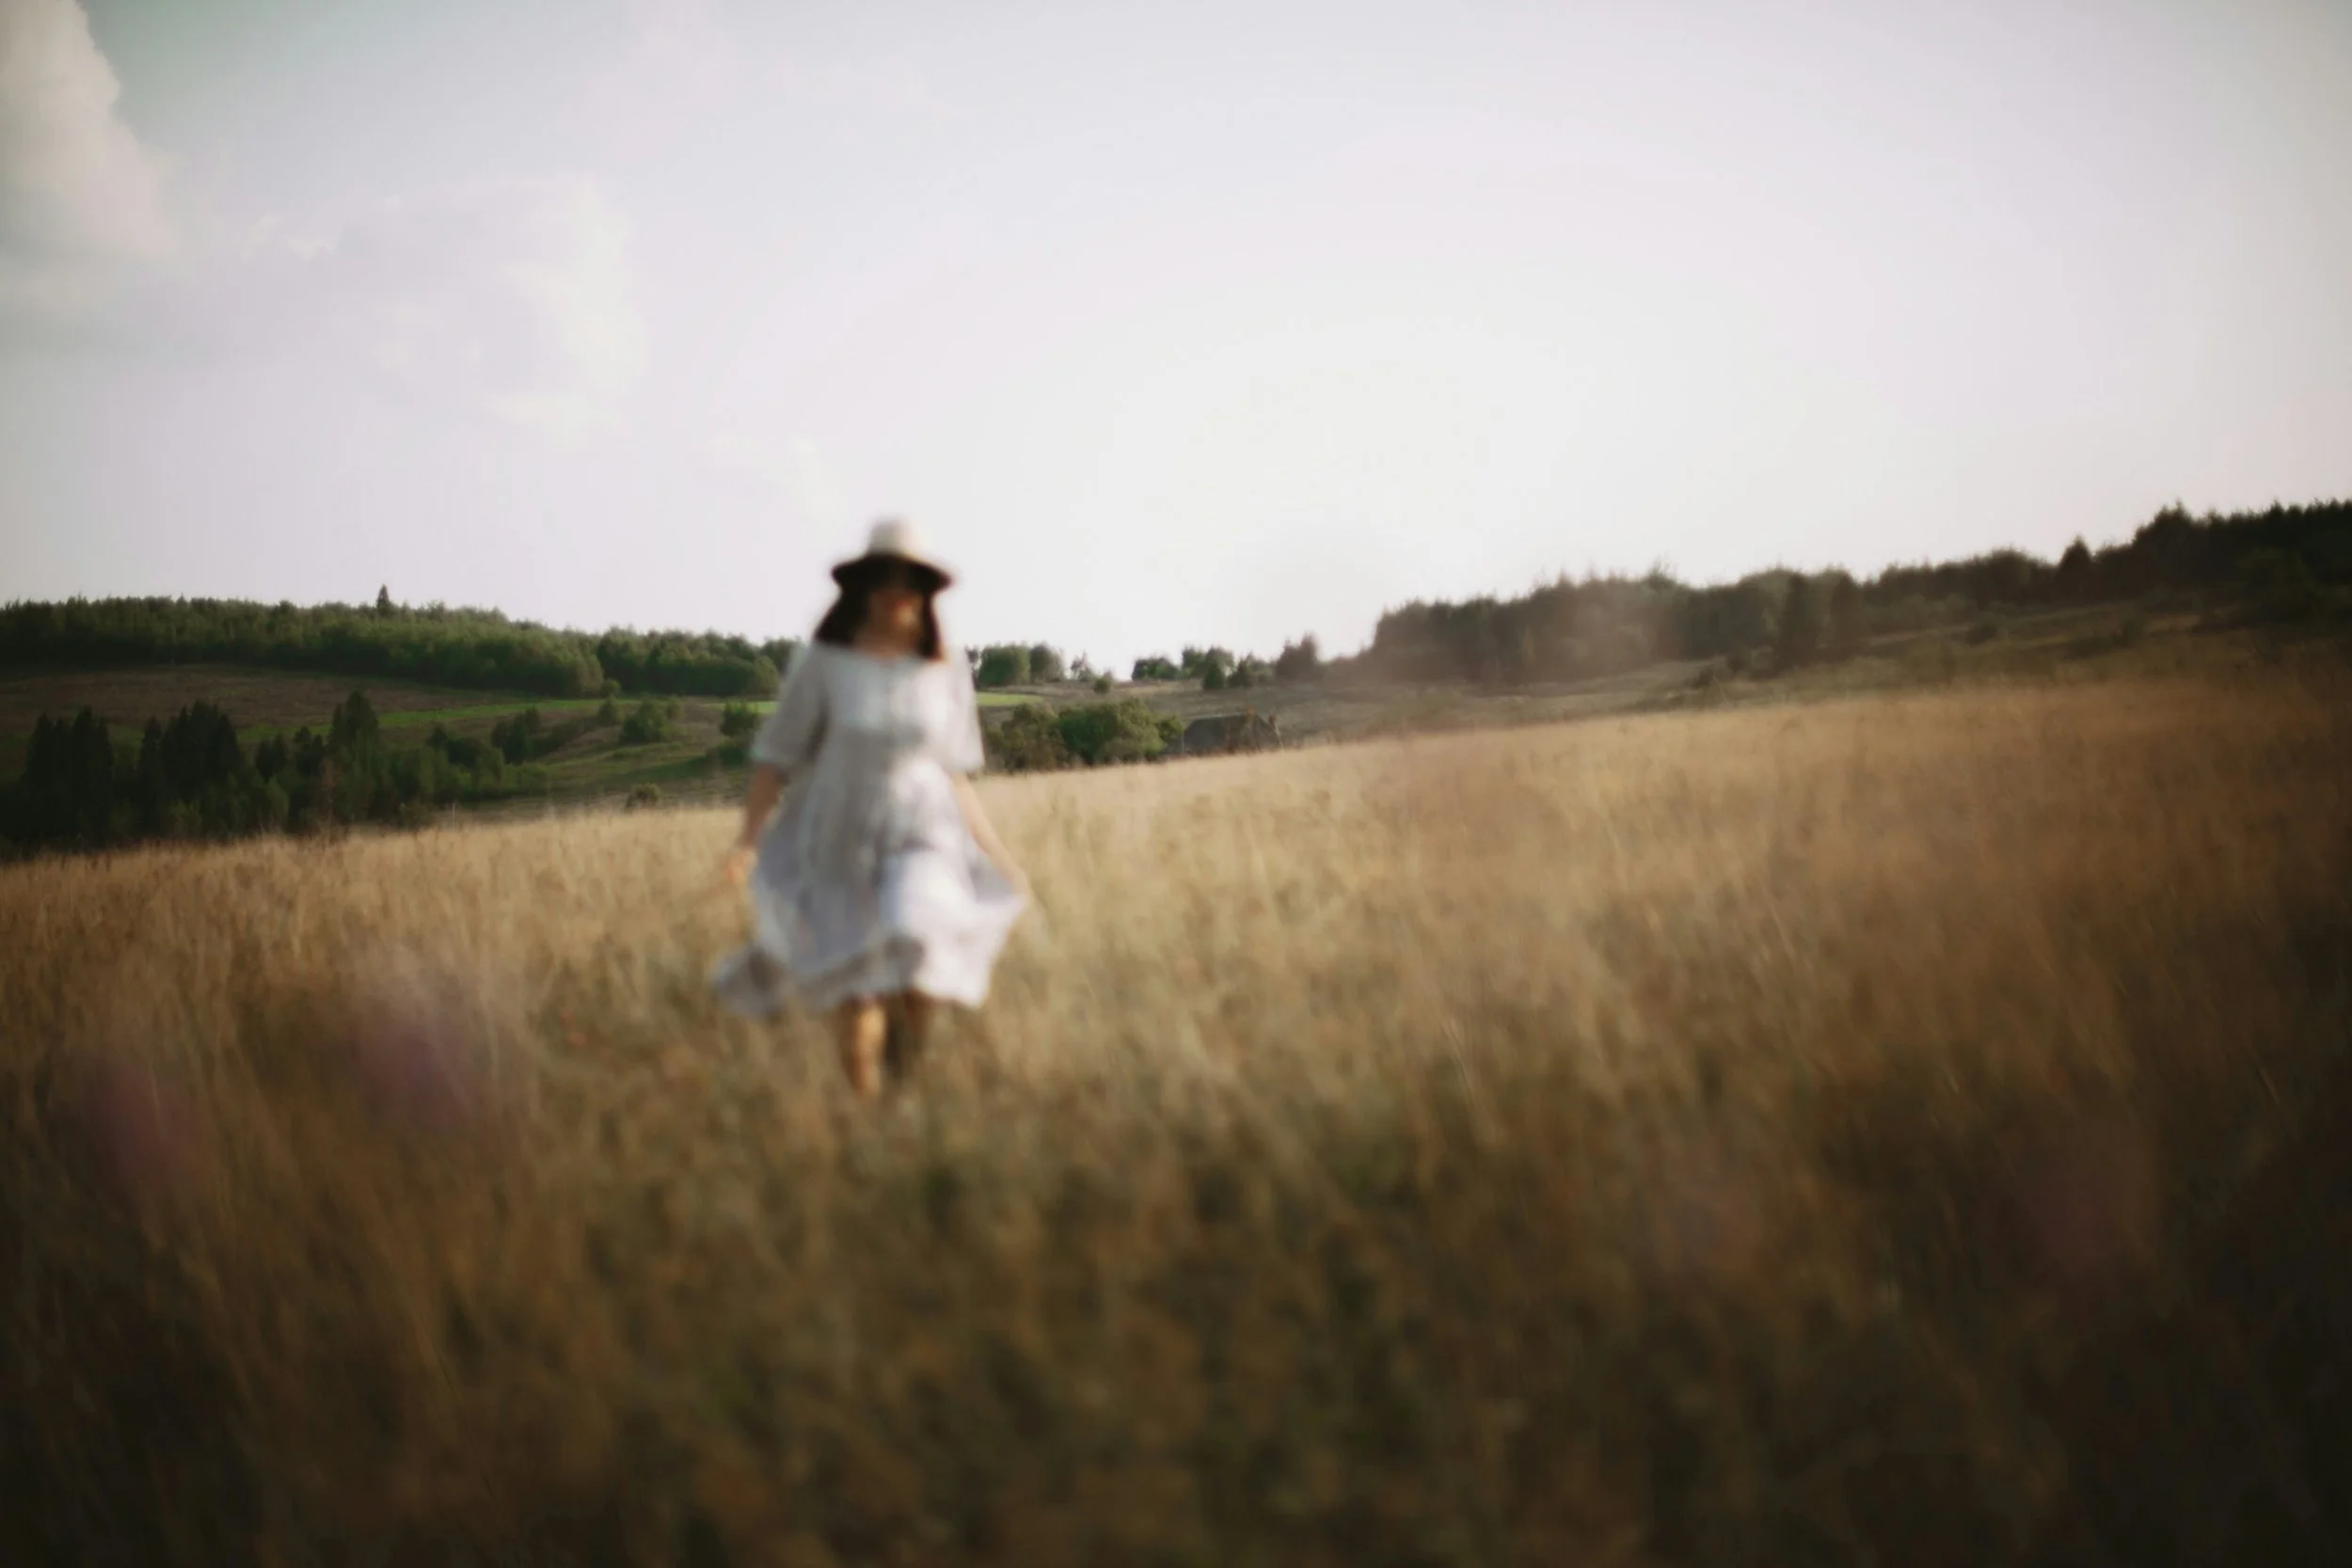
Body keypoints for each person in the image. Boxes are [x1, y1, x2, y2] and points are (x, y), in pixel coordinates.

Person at [711, 519, 1027, 1098]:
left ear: (925, 590)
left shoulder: (944, 667)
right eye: (883, 577)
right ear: (862, 587)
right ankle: (867, 1114)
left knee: (919, 941)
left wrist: (995, 851)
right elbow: (774, 760)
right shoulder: (825, 663)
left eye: (909, 578)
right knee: (858, 987)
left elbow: (952, 771)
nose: (895, 589)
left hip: (923, 832)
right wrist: (748, 840)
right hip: (841, 838)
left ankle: (904, 1084)